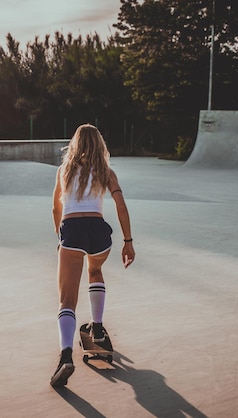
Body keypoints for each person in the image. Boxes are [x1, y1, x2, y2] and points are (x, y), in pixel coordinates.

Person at [50, 124, 135, 387]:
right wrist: (128, 242)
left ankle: (66, 355)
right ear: (100, 144)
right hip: (99, 233)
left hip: (72, 231)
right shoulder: (106, 172)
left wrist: (60, 239)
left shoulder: (63, 171)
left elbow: (56, 208)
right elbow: (120, 205)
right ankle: (96, 327)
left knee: (67, 300)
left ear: (74, 144)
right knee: (95, 271)